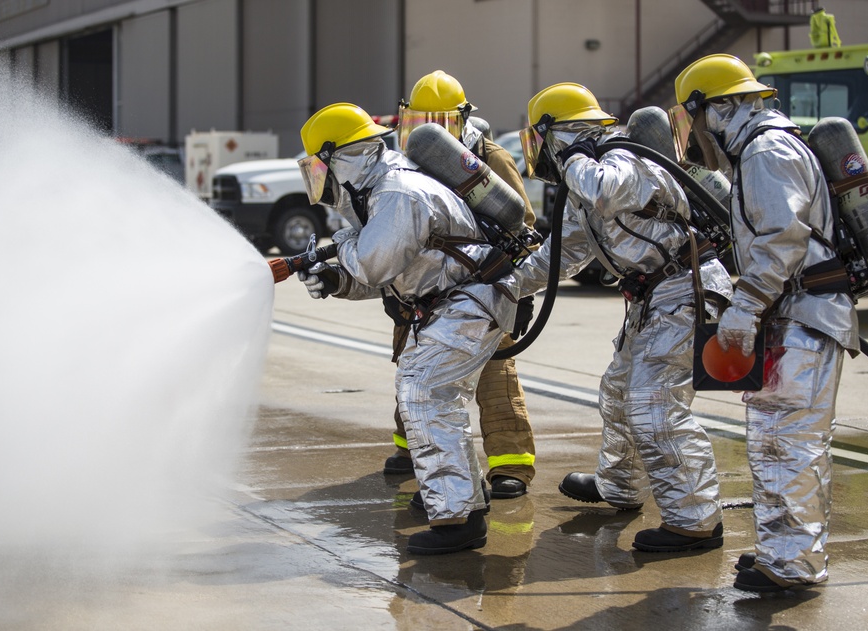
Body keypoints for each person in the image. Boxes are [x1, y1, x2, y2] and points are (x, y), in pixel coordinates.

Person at [514, 82, 734, 553]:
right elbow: (560, 257)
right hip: (654, 298)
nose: (541, 154)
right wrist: (497, 286)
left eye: (541, 141)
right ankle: (619, 485)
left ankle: (696, 521)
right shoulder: (584, 187)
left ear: (557, 135)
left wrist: (572, 154)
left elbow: (604, 191)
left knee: (653, 404)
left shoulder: (622, 161)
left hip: (687, 290)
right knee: (617, 392)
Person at [295, 102, 520, 554]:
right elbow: (396, 276)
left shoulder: (397, 193)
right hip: (460, 304)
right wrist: (338, 280)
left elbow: (375, 264)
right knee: (436, 398)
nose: (319, 179)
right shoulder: (381, 191)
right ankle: (464, 504)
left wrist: (339, 247)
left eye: (319, 166)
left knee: (423, 391)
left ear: (341, 157)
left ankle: (459, 519)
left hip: (468, 304)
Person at [670, 53, 859, 592]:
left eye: (696, 115)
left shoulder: (766, 149)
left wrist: (745, 307)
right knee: (776, 440)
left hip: (802, 315)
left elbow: (782, 238)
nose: (697, 130)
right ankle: (783, 552)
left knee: (789, 444)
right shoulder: (765, 146)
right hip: (794, 316)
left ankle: (794, 565)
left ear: (722, 108)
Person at [384, 70, 538, 501]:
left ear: (463, 119)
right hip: (421, 287)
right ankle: (410, 449)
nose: (430, 133)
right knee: (412, 370)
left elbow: (522, 227)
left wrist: (517, 291)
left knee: (496, 376)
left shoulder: (489, 159)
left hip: (480, 288)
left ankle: (511, 465)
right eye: (419, 123)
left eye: (441, 122)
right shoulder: (406, 162)